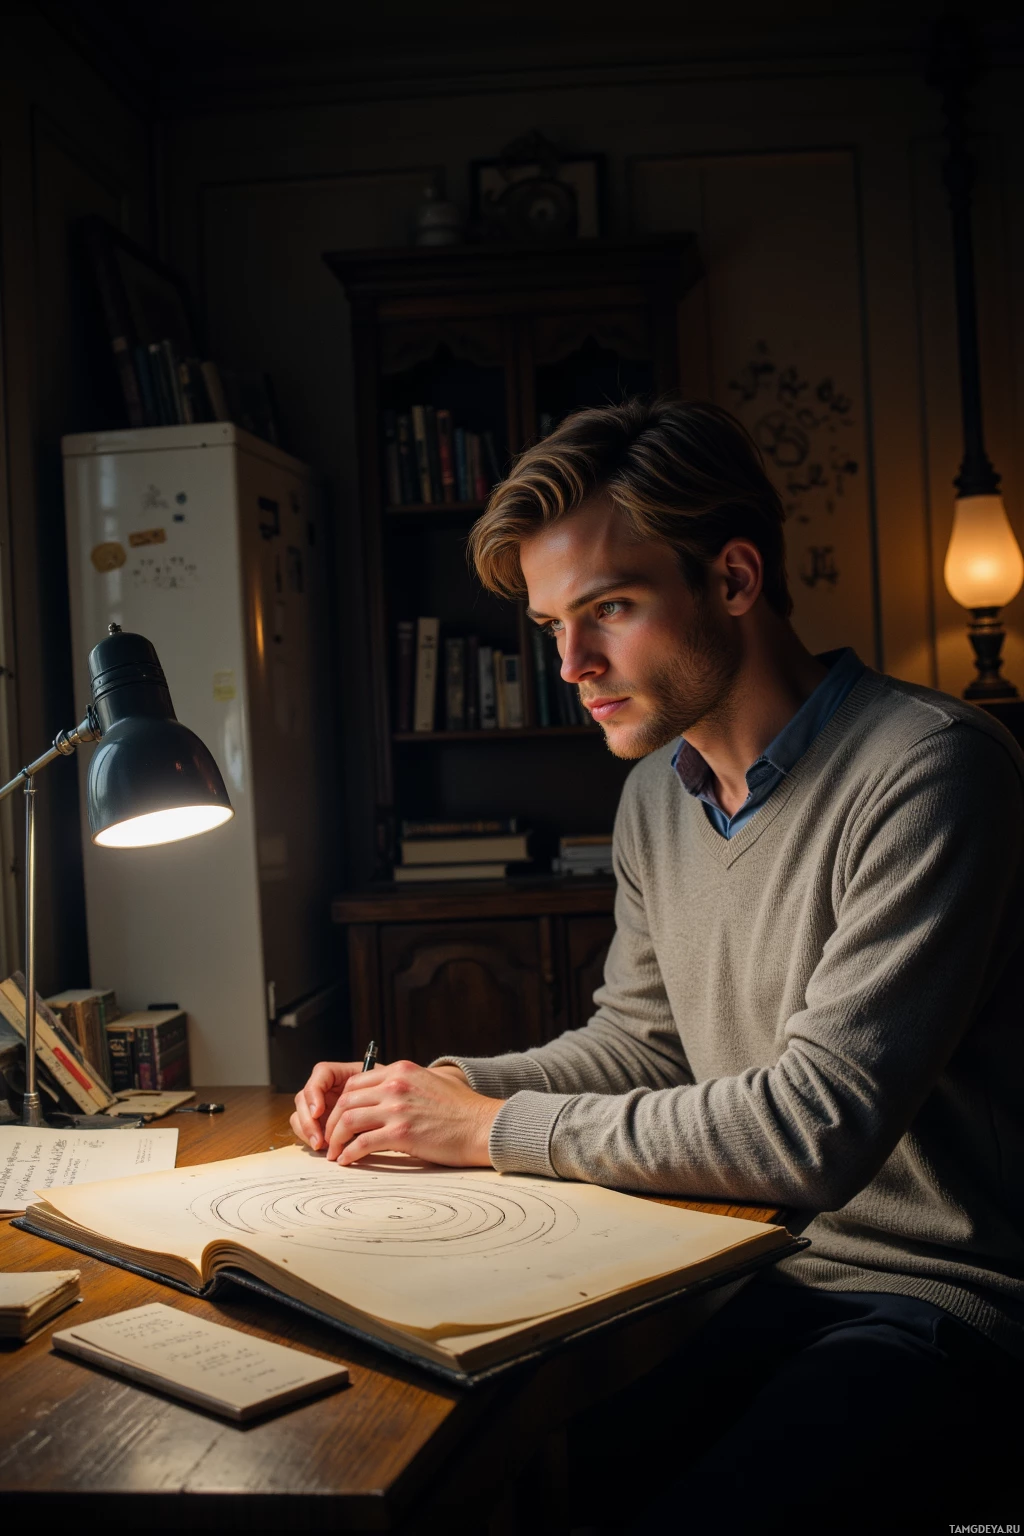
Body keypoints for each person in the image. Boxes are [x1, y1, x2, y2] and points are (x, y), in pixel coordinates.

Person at [292, 399, 1023, 1528]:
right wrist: (429, 1092)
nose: (572, 666)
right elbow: (642, 1044)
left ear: (733, 579)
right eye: (549, 628)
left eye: (610, 610)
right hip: (744, 1270)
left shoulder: (929, 771)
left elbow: (814, 1127)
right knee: (515, 1464)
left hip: (943, 1300)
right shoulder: (654, 795)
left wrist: (482, 1130)